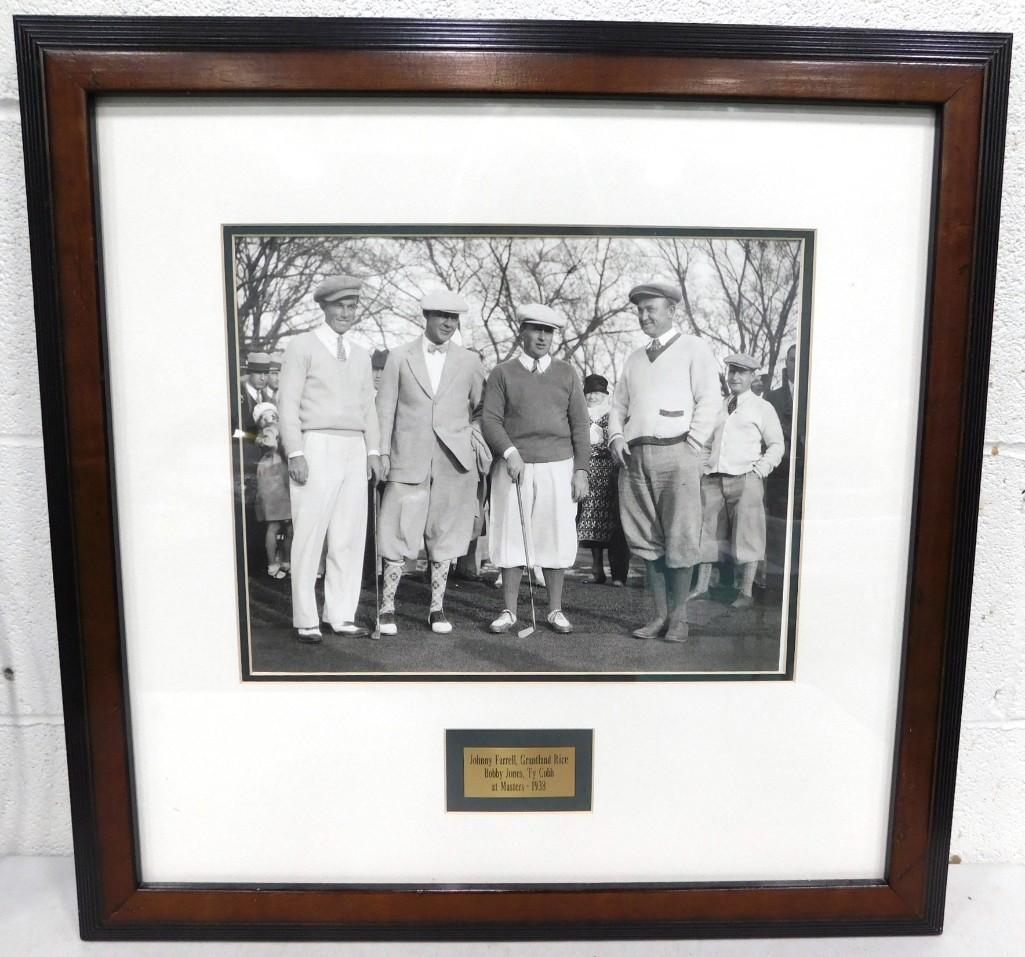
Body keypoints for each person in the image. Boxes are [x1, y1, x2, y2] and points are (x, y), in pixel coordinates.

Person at [609, 282, 721, 642]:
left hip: (678, 452)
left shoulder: (693, 347)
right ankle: (658, 616)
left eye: (651, 309)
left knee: (682, 535)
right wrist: (615, 437)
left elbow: (709, 399)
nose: (644, 316)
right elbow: (617, 405)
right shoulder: (634, 358)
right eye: (640, 310)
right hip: (636, 456)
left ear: (672, 310)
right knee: (645, 539)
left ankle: (680, 619)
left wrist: (694, 441)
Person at [277, 275, 383, 643]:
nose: (346, 312)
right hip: (315, 443)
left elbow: (369, 407)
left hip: (353, 446)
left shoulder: (361, 354)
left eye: (352, 306)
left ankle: (340, 614)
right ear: (324, 307)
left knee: (348, 537)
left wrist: (373, 451)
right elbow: (287, 403)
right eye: (339, 305)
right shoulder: (302, 346)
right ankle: (305, 617)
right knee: (309, 534)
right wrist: (295, 450)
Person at [375, 289, 487, 634]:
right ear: (426, 317)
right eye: (442, 317)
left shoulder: (469, 361)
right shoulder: (399, 357)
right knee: (397, 530)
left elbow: (482, 409)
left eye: (454, 318)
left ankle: (436, 608)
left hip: (454, 464)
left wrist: (472, 438)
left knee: (446, 533)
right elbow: (385, 409)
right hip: (406, 459)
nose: (448, 324)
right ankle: (387, 607)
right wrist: (380, 453)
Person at [482, 304, 590, 635]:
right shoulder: (503, 373)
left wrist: (581, 469)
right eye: (535, 329)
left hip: (558, 465)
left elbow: (580, 424)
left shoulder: (567, 373)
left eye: (548, 331)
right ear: (522, 332)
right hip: (514, 466)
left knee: (555, 535)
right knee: (511, 535)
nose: (542, 337)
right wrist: (510, 451)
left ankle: (555, 610)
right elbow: (490, 419)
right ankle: (509, 611)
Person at [691, 353, 785, 608]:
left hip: (746, 478)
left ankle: (745, 592)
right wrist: (703, 467)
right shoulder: (720, 406)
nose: (735, 377)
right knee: (708, 533)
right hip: (714, 479)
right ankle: (701, 587)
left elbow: (777, 445)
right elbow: (707, 443)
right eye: (732, 371)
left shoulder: (762, 408)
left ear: (753, 376)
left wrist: (759, 471)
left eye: (741, 372)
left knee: (748, 534)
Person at [576, 373, 630, 586]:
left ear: (605, 395)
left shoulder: (612, 414)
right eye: (589, 393)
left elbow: (616, 441)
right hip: (588, 471)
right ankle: (596, 569)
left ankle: (618, 573)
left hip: (610, 471)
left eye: (598, 393)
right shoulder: (580, 414)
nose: (592, 397)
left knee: (614, 521)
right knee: (590, 521)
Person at [764, 345, 799, 600]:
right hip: (780, 471)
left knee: (802, 528)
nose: (796, 364)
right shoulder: (773, 399)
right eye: (791, 359)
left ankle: (798, 585)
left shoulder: (817, 393)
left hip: (806, 472)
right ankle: (777, 586)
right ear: (786, 362)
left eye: (800, 360)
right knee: (778, 527)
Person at [237, 352, 271, 574]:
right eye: (258, 373)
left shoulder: (267, 398)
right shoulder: (237, 396)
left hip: (264, 464)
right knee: (245, 513)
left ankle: (259, 564)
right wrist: (254, 438)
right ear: (249, 373)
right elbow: (230, 429)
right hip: (243, 461)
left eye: (265, 373)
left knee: (262, 513)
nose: (262, 377)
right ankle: (245, 564)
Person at [252, 401, 292, 580]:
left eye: (274, 415)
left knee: (289, 524)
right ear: (260, 421)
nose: (271, 419)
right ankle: (273, 563)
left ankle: (285, 560)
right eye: (266, 417)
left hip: (282, 476)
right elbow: (269, 444)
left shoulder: (278, 431)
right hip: (272, 478)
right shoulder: (267, 433)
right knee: (275, 524)